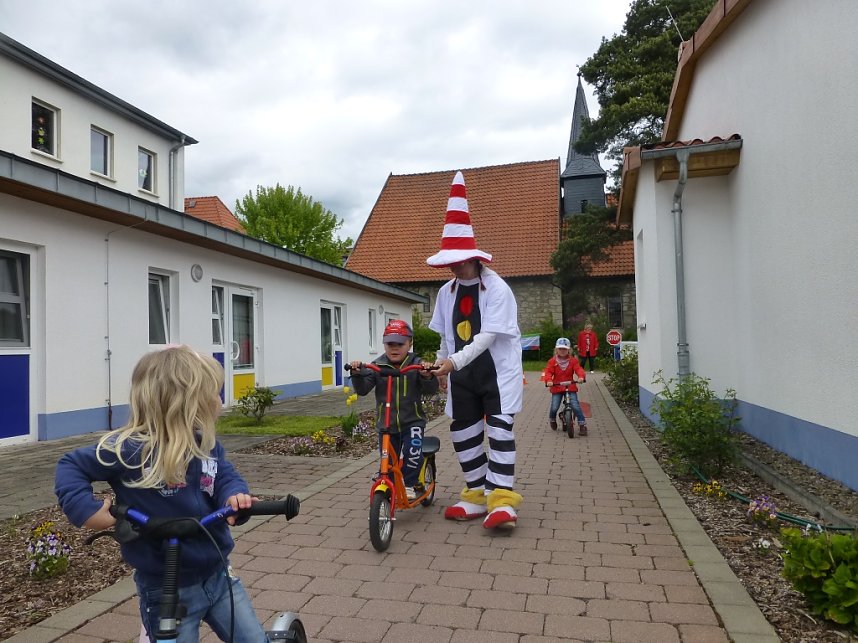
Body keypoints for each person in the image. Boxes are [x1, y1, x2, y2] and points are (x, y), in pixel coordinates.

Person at [55, 345, 268, 643]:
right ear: (187, 403)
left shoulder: (204, 443)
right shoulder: (130, 449)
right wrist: (86, 510)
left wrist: (234, 496)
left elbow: (223, 476)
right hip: (164, 587)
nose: (219, 400)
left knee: (253, 639)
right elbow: (71, 466)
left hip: (219, 575)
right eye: (214, 393)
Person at [428, 170, 524, 530]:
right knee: (463, 432)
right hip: (463, 376)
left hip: (496, 374)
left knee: (499, 430)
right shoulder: (446, 292)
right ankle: (476, 492)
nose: (454, 266)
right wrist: (441, 365)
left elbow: (486, 337)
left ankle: (502, 499)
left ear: (473, 257)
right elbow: (445, 334)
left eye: (459, 259)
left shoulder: (497, 289)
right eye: (450, 261)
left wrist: (451, 363)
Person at [348, 319, 439, 500]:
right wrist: (357, 374)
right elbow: (363, 390)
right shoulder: (377, 365)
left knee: (413, 453)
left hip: (412, 421)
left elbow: (431, 390)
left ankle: (410, 483)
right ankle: (388, 485)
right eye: (390, 344)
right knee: (388, 461)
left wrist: (427, 375)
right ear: (384, 344)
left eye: (400, 344)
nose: (394, 348)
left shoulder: (417, 364)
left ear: (410, 343)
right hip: (386, 424)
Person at [542, 337, 588, 436]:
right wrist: (549, 380)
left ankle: (582, 425)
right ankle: (552, 419)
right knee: (554, 406)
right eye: (560, 349)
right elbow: (548, 372)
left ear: (569, 350)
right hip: (557, 387)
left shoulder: (573, 361)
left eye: (565, 349)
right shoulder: (552, 361)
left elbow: (578, 369)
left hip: (570, 386)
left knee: (575, 405)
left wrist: (581, 377)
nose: (562, 351)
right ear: (556, 350)